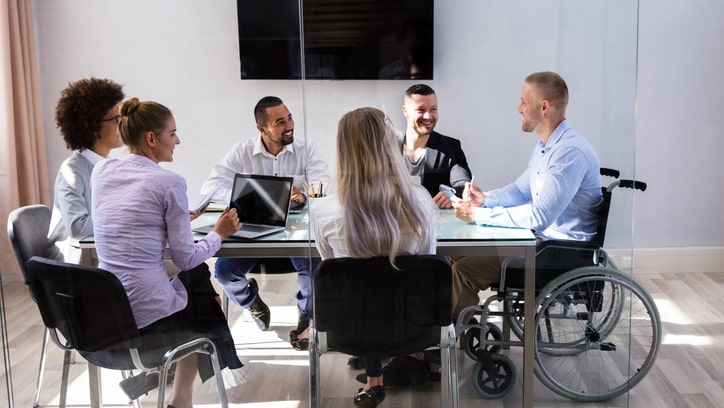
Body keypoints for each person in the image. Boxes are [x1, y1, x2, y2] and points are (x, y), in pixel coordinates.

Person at [91, 98, 244, 408]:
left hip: (105, 311)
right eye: (172, 133)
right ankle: (180, 396)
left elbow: (128, 225)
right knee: (203, 293)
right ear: (151, 138)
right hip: (145, 317)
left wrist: (168, 223)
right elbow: (184, 258)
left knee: (197, 281)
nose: (178, 141)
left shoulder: (103, 170)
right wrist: (220, 233)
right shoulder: (169, 182)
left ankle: (167, 381)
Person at [310, 107, 437, 407]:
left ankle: (374, 377)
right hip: (415, 327)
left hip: (349, 330)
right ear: (389, 146)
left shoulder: (324, 212)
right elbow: (428, 260)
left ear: (343, 149)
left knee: (360, 296)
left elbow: (331, 269)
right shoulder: (420, 201)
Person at [450, 71, 603, 319]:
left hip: (557, 253)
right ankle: (449, 332)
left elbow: (540, 216)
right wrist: (485, 199)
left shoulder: (569, 153)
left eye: (523, 101)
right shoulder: (546, 147)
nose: (518, 109)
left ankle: (450, 344)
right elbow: (521, 190)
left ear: (543, 107)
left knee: (464, 270)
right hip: (541, 243)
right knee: (455, 254)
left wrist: (479, 215)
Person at [200, 96, 332, 350]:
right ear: (262, 128)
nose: (289, 125)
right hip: (254, 231)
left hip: (296, 234)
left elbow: (324, 187)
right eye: (280, 122)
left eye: (290, 117)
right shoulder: (241, 152)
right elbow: (211, 187)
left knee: (314, 264)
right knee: (224, 272)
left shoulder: (308, 149)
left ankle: (306, 312)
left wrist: (304, 195)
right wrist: (255, 196)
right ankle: (252, 302)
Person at [49, 77, 125, 263]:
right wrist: (129, 219)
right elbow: (77, 226)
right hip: (77, 264)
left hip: (101, 254)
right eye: (116, 119)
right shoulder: (72, 171)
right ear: (92, 126)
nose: (122, 124)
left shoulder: (109, 166)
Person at [399, 84, 472, 209]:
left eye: (433, 109)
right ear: (405, 111)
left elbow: (463, 185)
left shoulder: (451, 147)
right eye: (421, 110)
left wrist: (452, 195)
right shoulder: (387, 149)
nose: (428, 116)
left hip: (438, 224)